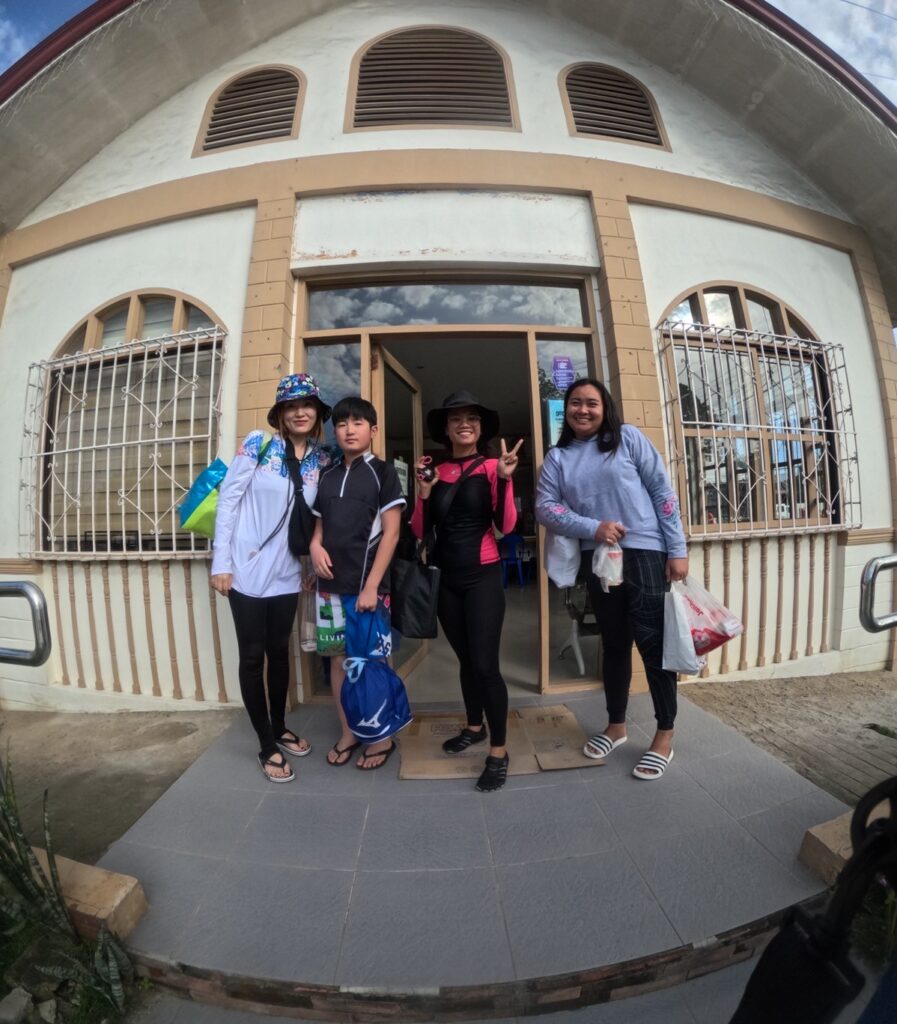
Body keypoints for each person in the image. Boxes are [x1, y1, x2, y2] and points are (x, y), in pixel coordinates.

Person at [535, 377, 688, 781]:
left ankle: (665, 733)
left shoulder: (627, 438)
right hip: (599, 558)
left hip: (646, 552)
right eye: (575, 403)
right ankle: (616, 726)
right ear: (566, 411)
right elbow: (545, 507)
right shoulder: (558, 457)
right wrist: (593, 527)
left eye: (591, 403)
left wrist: (677, 548)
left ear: (605, 408)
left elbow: (662, 491)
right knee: (615, 643)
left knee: (653, 644)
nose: (582, 410)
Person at [211, 373, 333, 783]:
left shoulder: (321, 459)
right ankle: (265, 744)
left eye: (307, 404)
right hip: (245, 571)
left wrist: (309, 566)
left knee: (280, 652)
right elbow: (228, 502)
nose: (300, 412)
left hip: (287, 573)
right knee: (252, 657)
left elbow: (315, 518)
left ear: (317, 413)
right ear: (280, 413)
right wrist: (221, 563)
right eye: (291, 405)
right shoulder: (258, 444)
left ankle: (279, 727)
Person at [411, 390, 522, 793]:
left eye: (472, 418)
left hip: (482, 577)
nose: (464, 424)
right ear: (445, 428)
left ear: (480, 427)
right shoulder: (434, 471)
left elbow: (506, 525)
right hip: (446, 579)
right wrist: (424, 492)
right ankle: (475, 727)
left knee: (486, 665)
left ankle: (498, 751)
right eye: (456, 418)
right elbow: (419, 529)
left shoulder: (493, 467)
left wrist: (505, 480)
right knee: (465, 660)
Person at [309, 396, 406, 770]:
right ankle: (349, 731)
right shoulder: (328, 475)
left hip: (369, 590)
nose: (349, 430)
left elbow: (392, 534)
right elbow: (319, 526)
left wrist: (371, 586)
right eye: (342, 423)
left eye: (357, 423)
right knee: (338, 661)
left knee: (371, 661)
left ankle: (382, 737)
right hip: (329, 589)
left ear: (373, 430)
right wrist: (314, 547)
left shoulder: (383, 472)